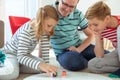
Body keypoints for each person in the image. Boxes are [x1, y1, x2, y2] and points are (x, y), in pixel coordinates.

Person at [0, 5, 59, 80]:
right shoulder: (26, 31)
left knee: (42, 65)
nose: (50, 30)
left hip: (23, 55)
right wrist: (41, 65)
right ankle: (10, 65)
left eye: (53, 27)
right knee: (12, 73)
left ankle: (14, 66)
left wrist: (46, 66)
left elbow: (45, 52)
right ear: (40, 21)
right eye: (49, 26)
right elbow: (21, 56)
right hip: (10, 53)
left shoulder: (44, 30)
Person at [50, 0, 109, 71]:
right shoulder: (49, 12)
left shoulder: (77, 14)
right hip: (63, 53)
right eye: (65, 4)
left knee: (107, 55)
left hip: (80, 47)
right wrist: (41, 58)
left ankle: (88, 60)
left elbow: (91, 35)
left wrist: (78, 50)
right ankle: (93, 63)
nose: (67, 9)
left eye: (72, 6)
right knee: (73, 62)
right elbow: (41, 34)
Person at [85, 1, 120, 78]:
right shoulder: (101, 29)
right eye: (90, 24)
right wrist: (97, 36)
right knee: (92, 64)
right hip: (118, 53)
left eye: (95, 24)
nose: (93, 28)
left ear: (107, 18)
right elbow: (99, 55)